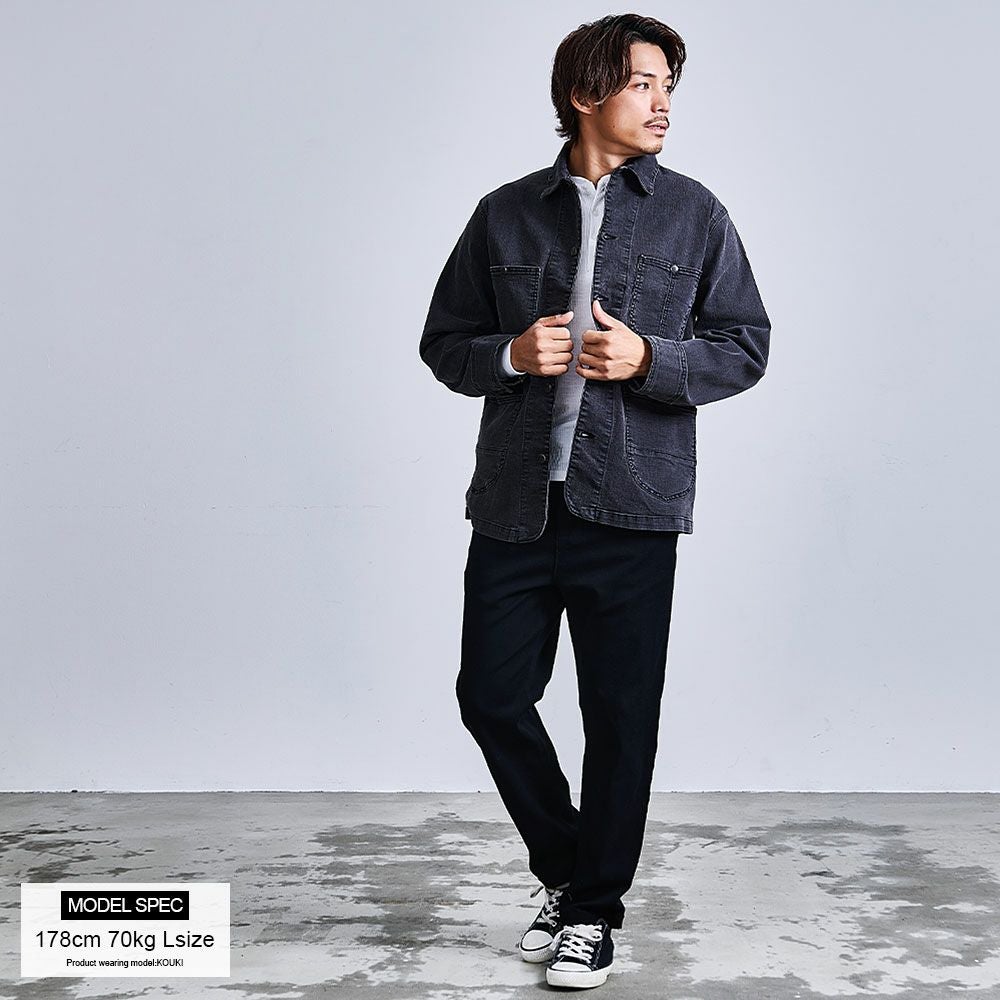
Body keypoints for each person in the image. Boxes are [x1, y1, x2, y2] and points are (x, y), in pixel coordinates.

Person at [419, 12, 770, 990]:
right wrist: (507, 354)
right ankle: (573, 876)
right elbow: (445, 342)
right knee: (491, 696)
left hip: (634, 504)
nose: (663, 105)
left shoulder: (695, 215)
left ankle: (590, 916)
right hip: (515, 503)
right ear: (585, 94)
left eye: (669, 88)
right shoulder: (503, 214)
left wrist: (653, 357)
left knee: (619, 716)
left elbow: (745, 345)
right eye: (643, 84)